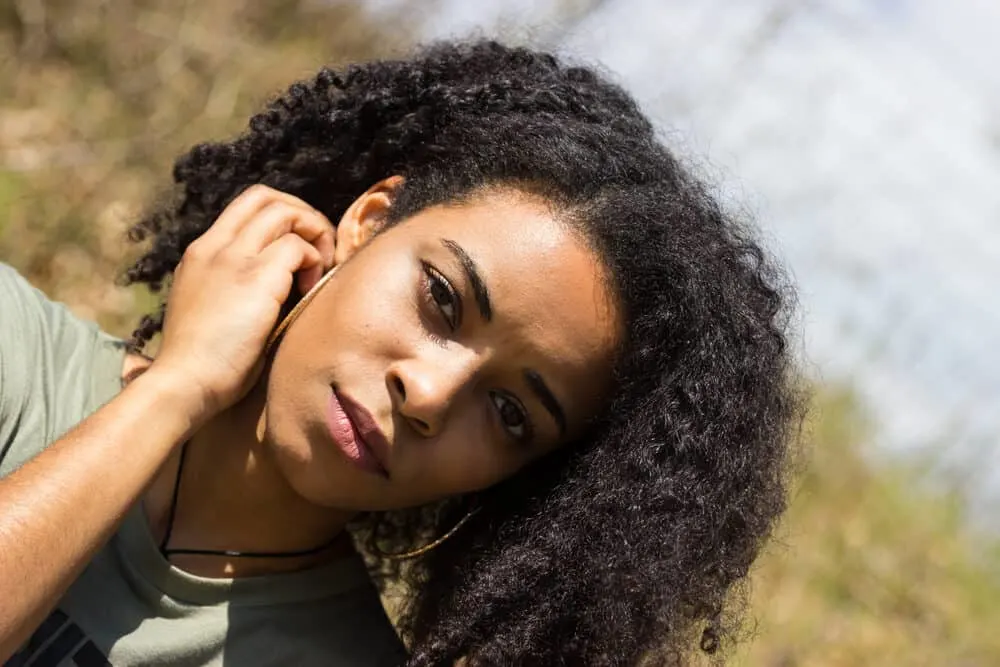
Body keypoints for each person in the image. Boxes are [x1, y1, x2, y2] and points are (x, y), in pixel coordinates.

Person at [0, 40, 800, 666]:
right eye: (443, 300)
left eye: (510, 411)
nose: (428, 394)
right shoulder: (18, 352)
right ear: (371, 222)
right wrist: (176, 386)